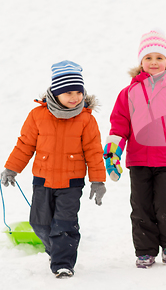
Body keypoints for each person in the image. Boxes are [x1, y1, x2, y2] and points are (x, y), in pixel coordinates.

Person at [1, 60, 106, 278]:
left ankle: (62, 263)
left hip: (72, 182)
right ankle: (55, 250)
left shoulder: (86, 119)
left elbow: (94, 152)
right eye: (68, 92)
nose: (75, 97)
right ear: (55, 93)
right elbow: (25, 144)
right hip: (42, 179)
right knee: (39, 223)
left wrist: (98, 180)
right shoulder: (37, 116)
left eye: (78, 91)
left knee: (65, 223)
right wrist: (12, 168)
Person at [104, 28, 166, 268]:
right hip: (138, 161)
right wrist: (113, 152)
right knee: (141, 205)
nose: (154, 62)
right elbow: (119, 125)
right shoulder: (128, 93)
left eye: (159, 58)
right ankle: (145, 250)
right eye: (148, 58)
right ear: (140, 61)